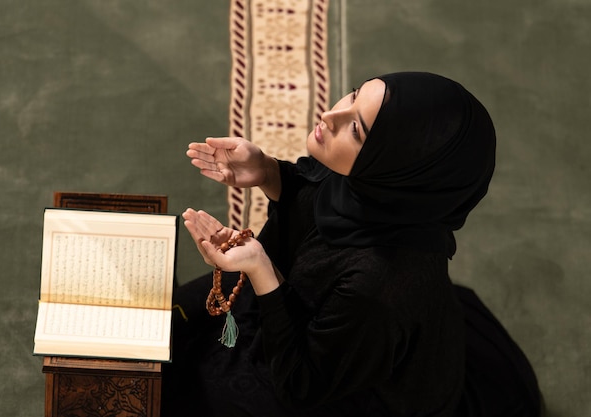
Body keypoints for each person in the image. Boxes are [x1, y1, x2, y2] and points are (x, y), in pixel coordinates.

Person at [162, 72, 543, 416]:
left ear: (395, 169)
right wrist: (269, 171)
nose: (331, 116)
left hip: (338, 376)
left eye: (356, 130)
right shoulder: (380, 189)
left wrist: (261, 270)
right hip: (331, 319)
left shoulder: (378, 285)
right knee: (171, 315)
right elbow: (318, 200)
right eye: (355, 95)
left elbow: (302, 386)